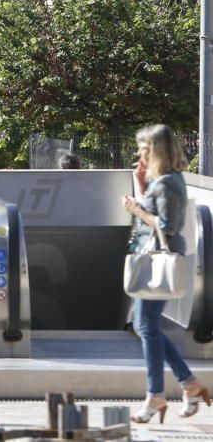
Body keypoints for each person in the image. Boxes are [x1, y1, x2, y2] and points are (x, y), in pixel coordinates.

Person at [121, 124, 209, 423]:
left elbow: (167, 226)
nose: (140, 153)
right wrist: (138, 181)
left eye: (144, 148)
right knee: (146, 325)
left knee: (145, 325)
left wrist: (136, 210)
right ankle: (188, 384)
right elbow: (152, 210)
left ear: (157, 150)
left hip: (160, 260)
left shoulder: (169, 183)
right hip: (155, 257)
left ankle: (156, 395)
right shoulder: (163, 180)